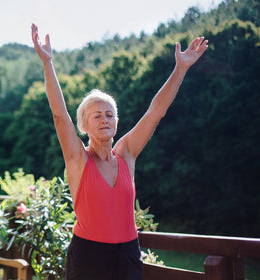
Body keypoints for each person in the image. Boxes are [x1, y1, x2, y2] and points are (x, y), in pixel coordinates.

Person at [31, 23, 208, 280]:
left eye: (110, 114)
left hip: (128, 254)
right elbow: (60, 115)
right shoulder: (78, 159)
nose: (105, 119)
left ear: (116, 121)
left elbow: (155, 112)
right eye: (97, 116)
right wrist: (48, 63)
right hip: (89, 257)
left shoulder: (126, 153)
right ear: (84, 125)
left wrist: (180, 69)